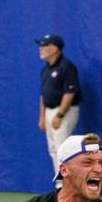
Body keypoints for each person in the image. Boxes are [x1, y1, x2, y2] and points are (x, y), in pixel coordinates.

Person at [36, 34, 82, 175]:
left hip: (64, 111)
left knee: (62, 148)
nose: (40, 49)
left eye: (44, 45)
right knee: (53, 149)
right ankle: (61, 184)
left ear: (55, 48)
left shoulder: (67, 67)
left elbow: (69, 93)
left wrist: (60, 115)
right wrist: (42, 117)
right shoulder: (45, 70)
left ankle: (68, 185)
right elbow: (44, 94)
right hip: (50, 111)